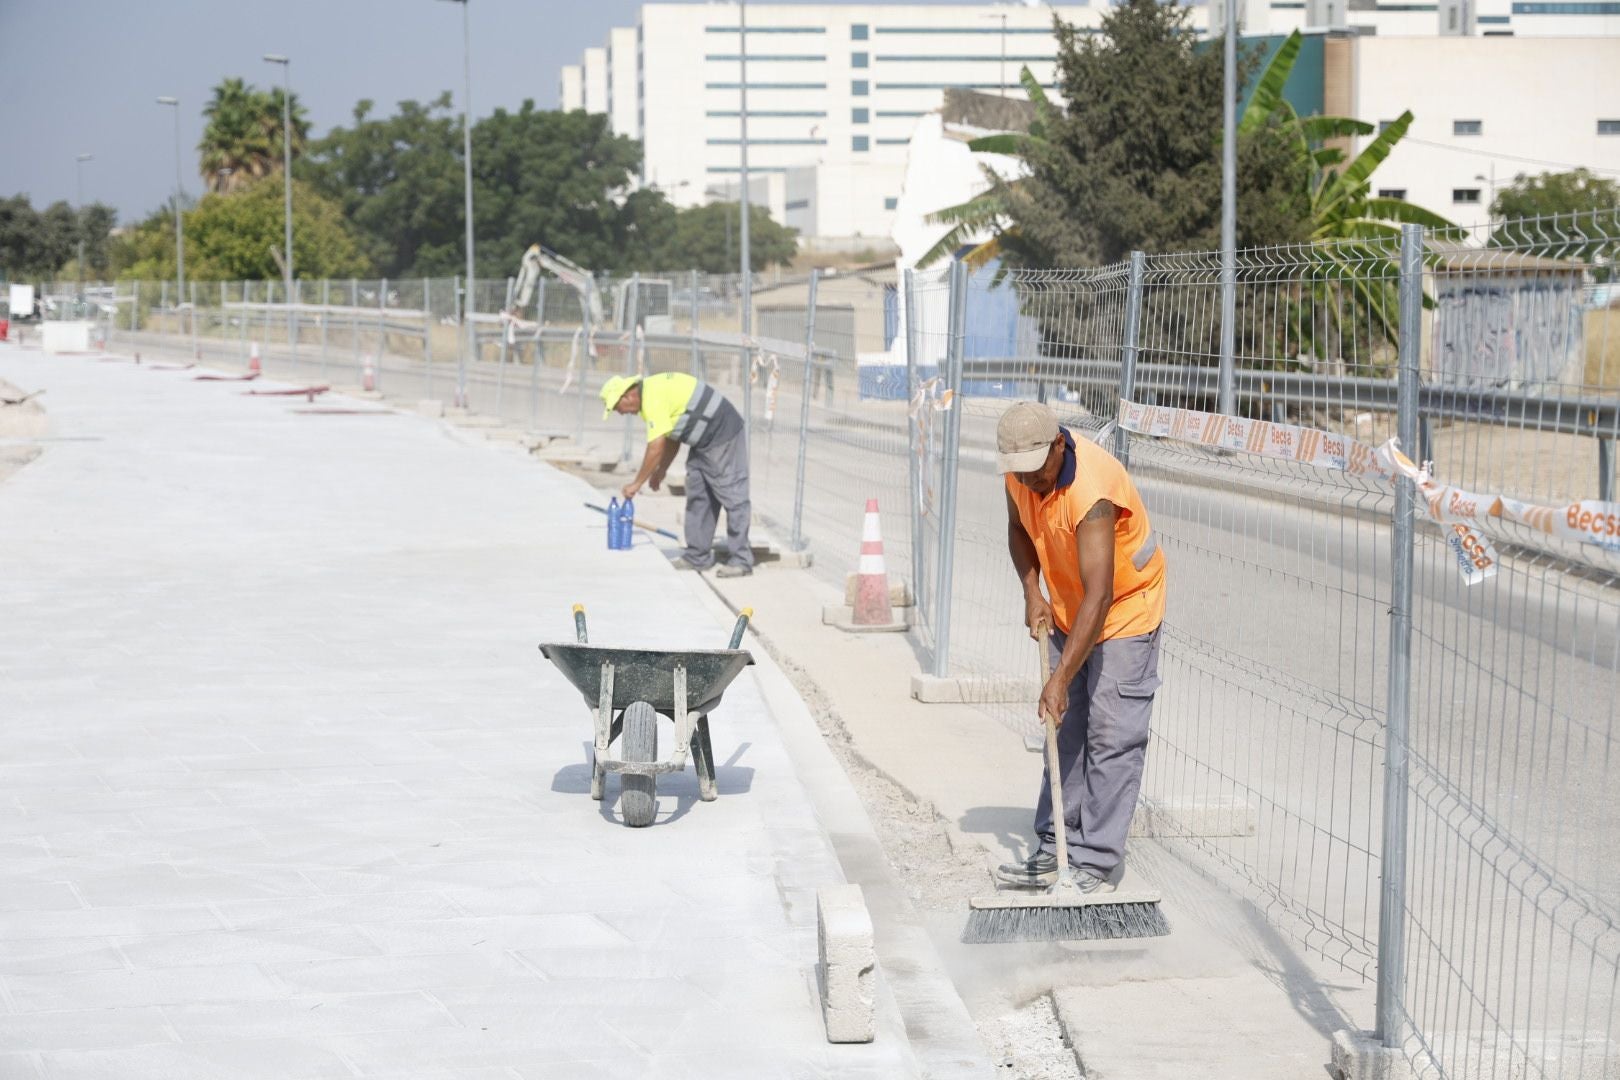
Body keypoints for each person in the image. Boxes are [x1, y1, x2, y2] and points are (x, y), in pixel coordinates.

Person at [994, 401, 1167, 893]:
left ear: (1058, 446)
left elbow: (1102, 594)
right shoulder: (1020, 471)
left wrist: (1060, 677)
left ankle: (1094, 860)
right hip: (1071, 605)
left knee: (1112, 734)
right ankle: (1057, 846)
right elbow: (1017, 530)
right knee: (1063, 728)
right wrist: (1033, 593)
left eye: (1036, 473)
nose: (1029, 484)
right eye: (1019, 475)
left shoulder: (1090, 491)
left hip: (1124, 609)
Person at [601, 371, 753, 578]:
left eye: (618, 408)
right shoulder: (651, 397)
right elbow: (672, 437)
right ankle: (697, 557)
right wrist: (660, 471)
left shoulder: (652, 398)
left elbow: (656, 446)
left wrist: (637, 483)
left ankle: (741, 560)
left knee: (732, 494)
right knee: (699, 494)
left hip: (722, 433)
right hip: (703, 441)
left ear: (627, 396)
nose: (622, 413)